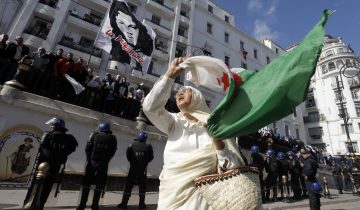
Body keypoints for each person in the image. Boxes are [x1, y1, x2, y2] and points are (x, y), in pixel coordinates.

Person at [141, 57, 251, 209]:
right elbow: (149, 108)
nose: (179, 93)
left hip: (204, 197)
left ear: (198, 97)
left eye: (186, 90)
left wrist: (215, 138)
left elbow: (233, 166)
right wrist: (170, 75)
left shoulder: (216, 124)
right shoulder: (174, 122)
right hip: (171, 195)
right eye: (178, 92)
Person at [23, 117, 78, 210]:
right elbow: (71, 149)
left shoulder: (48, 134)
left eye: (52, 125)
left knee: (36, 184)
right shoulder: (69, 138)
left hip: (43, 165)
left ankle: (30, 204)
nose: (50, 126)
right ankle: (40, 205)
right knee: (47, 187)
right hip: (56, 166)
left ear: (56, 126)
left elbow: (41, 149)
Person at [77, 122, 117, 210]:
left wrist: (89, 159)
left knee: (87, 183)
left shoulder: (94, 135)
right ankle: (95, 205)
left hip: (93, 162)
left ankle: (82, 204)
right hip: (104, 164)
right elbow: (113, 152)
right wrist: (107, 160)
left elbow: (87, 148)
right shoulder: (113, 138)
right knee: (99, 184)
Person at [117, 131, 154, 209]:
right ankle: (141, 204)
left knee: (128, 186)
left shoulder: (132, 145)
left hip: (133, 168)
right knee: (142, 188)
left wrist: (132, 162)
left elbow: (128, 155)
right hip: (143, 170)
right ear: (145, 138)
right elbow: (151, 157)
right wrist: (144, 162)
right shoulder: (148, 146)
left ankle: (124, 203)